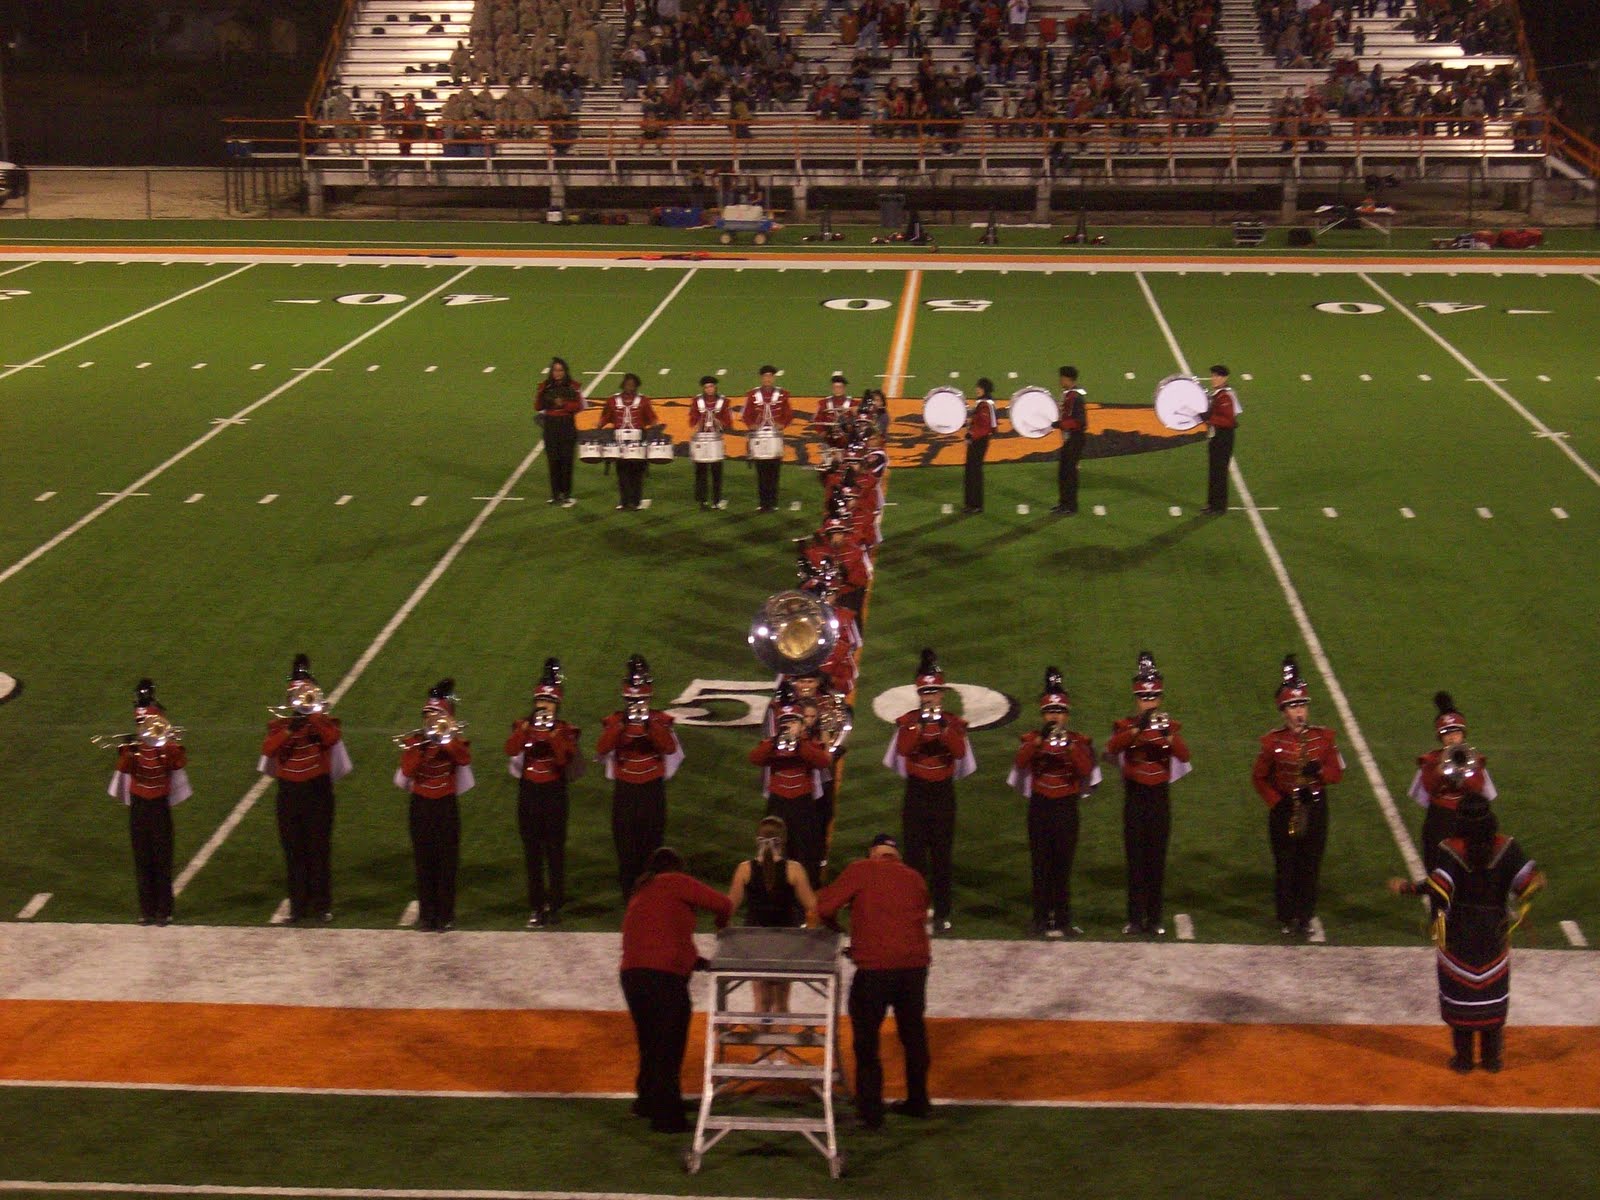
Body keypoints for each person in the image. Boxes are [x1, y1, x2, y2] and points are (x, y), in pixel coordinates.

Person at [1388, 793, 1544, 1073]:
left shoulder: (1450, 849)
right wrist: (1537, 881)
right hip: (1493, 933)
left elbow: (1438, 887)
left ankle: (1463, 1061)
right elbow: (1527, 885)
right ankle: (1492, 1060)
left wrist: (1406, 888)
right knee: (1492, 995)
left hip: (1459, 933)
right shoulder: (1507, 847)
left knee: (1460, 996)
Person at [816, 833, 933, 1129]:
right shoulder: (915, 878)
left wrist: (837, 928)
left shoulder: (861, 869)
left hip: (875, 969)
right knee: (913, 1035)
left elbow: (825, 907)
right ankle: (919, 1101)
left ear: (872, 853)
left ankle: (871, 1112)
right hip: (914, 967)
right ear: (897, 855)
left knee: (867, 1040)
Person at [620, 846, 733, 1133]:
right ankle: (667, 1117)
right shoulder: (676, 882)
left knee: (650, 1042)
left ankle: (647, 1101)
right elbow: (723, 904)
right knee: (669, 1046)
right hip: (663, 977)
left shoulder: (641, 891)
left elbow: (658, 937)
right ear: (676, 868)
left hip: (632, 975)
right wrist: (722, 928)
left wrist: (696, 961)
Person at [1252, 655, 1344, 937]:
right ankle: (1286, 916)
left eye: (1302, 705)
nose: (1299, 711)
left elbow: (1337, 772)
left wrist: (1320, 772)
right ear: (1284, 711)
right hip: (1285, 806)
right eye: (1293, 706)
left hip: (1314, 805)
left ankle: (1305, 916)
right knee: (1285, 863)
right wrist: (1276, 802)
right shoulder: (1273, 741)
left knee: (1310, 863)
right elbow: (1258, 777)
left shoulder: (1323, 738)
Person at [883, 648, 974, 932]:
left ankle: (942, 912)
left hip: (942, 794)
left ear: (942, 694)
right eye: (925, 692)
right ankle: (915, 909)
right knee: (914, 856)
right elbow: (904, 749)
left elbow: (959, 752)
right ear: (919, 693)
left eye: (934, 692)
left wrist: (943, 728)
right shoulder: (909, 721)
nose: (930, 697)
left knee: (942, 856)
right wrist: (921, 726)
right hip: (917, 792)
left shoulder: (952, 722)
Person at [259, 654, 351, 924]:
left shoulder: (325, 723)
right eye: (296, 696)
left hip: (317, 791)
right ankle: (298, 907)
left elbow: (332, 738)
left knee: (319, 849)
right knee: (294, 851)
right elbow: (268, 749)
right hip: (289, 792)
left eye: (305, 695)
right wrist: (290, 730)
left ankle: (322, 906)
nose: (301, 700)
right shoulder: (279, 726)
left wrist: (314, 717)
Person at [1105, 651, 1191, 936]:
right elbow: (1111, 748)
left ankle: (1154, 919)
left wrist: (1168, 735)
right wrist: (1135, 731)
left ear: (1160, 699)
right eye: (1144, 698)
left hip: (1159, 798)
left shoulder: (1169, 727)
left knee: (1156, 860)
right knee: (1135, 860)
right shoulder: (1125, 726)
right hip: (1135, 798)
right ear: (1136, 699)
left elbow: (1184, 755)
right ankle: (1134, 919)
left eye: (1153, 698)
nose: (1149, 703)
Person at [1008, 667, 1099, 938]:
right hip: (1040, 806)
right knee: (1040, 864)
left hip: (1066, 807)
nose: (1054, 716)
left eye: (1059, 711)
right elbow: (1020, 762)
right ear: (1043, 714)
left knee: (1062, 865)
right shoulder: (1031, 739)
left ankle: (1063, 919)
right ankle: (1039, 919)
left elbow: (1086, 770)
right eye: (1050, 712)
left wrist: (1068, 747)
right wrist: (1039, 742)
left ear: (1066, 715)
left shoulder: (1078, 741)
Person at [597, 654, 684, 901]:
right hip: (625, 791)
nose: (637, 705)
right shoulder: (616, 721)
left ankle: (652, 901)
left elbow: (668, 747)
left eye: (641, 700)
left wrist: (648, 725)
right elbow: (602, 748)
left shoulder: (659, 720)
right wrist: (622, 725)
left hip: (651, 791)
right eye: (632, 701)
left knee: (652, 848)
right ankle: (630, 901)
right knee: (626, 850)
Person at [505, 658, 583, 928]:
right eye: (540, 701)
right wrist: (527, 730)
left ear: (557, 705)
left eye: (549, 702)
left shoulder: (566, 730)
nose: (544, 706)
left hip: (554, 794)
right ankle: (537, 906)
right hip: (529, 793)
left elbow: (563, 760)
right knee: (532, 852)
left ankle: (556, 904)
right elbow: (511, 749)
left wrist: (550, 736)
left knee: (555, 851)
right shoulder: (523, 725)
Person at [108, 679, 191, 926]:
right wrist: (128, 751)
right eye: (140, 722)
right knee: (142, 857)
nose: (142, 726)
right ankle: (146, 910)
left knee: (162, 858)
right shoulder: (133, 747)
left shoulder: (165, 742)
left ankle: (164, 910)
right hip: (139, 803)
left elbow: (178, 762)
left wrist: (163, 745)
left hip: (158, 804)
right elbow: (124, 768)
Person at [396, 679, 474, 932]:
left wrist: (446, 738)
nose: (430, 719)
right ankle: (427, 915)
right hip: (421, 806)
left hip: (445, 806)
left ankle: (445, 915)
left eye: (435, 714)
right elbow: (408, 770)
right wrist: (424, 746)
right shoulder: (416, 742)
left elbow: (464, 758)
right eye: (427, 715)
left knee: (447, 862)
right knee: (424, 861)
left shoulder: (455, 741)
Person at [727, 816, 820, 1012]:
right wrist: (809, 935)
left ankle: (761, 1034)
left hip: (753, 945)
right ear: (783, 841)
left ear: (757, 840)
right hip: (786, 945)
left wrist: (731, 937)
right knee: (781, 1004)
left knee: (761, 1002)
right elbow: (814, 908)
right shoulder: (794, 869)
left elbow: (727, 909)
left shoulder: (744, 869)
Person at [750, 682, 836, 885]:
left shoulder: (808, 743)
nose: (788, 726)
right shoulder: (772, 743)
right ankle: (773, 884)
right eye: (785, 722)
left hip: (802, 802)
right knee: (774, 845)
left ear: (801, 724)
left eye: (793, 722)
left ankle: (806, 886)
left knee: (804, 847)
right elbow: (755, 758)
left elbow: (823, 761)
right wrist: (774, 742)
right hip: (778, 801)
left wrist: (799, 743)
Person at [1408, 692, 1497, 876]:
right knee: (1436, 866)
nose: (1451, 738)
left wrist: (1462, 772)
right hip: (1440, 818)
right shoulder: (1431, 760)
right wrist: (1440, 771)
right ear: (1440, 737)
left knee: (1470, 866)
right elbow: (1429, 788)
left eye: (1456, 732)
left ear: (1463, 735)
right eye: (1446, 733)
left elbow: (1477, 788)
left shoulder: (1473, 759)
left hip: (1469, 816)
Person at [599, 372, 659, 511]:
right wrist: (599, 425)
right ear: (623, 385)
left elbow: (651, 418)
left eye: (632, 384)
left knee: (637, 472)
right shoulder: (613, 400)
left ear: (637, 386)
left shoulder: (643, 401)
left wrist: (654, 425)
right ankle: (624, 501)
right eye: (627, 384)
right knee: (622, 471)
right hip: (619, 438)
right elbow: (605, 417)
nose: (630, 386)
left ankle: (635, 501)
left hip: (638, 438)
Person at [743, 364, 793, 511]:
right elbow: (746, 414)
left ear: (774, 378)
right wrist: (751, 424)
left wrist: (782, 424)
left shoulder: (782, 394)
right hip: (759, 436)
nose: (768, 379)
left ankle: (773, 502)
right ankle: (763, 502)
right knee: (761, 471)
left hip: (775, 437)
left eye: (770, 376)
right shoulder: (753, 394)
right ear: (761, 378)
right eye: (765, 376)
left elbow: (789, 414)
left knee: (774, 471)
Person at [535, 356, 584, 506]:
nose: (558, 373)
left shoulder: (573, 386)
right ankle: (555, 494)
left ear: (565, 371)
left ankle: (566, 493)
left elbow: (580, 406)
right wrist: (545, 397)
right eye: (555, 370)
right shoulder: (545, 386)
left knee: (567, 460)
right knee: (553, 460)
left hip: (567, 424)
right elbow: (537, 406)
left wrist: (563, 404)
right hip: (551, 425)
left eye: (560, 370)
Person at [689, 374, 734, 509]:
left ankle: (716, 499)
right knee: (701, 471)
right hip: (701, 438)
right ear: (704, 388)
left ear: (715, 387)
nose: (709, 389)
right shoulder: (697, 401)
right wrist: (698, 422)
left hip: (716, 439)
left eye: (711, 386)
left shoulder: (723, 401)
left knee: (716, 471)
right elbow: (692, 420)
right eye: (707, 387)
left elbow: (729, 422)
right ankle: (702, 500)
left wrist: (718, 422)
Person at [1199, 363, 1239, 514]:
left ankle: (1219, 506)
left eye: (1217, 376)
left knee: (1219, 472)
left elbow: (1229, 421)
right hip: (1216, 436)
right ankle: (1212, 503)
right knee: (1214, 471)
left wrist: (1209, 419)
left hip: (1224, 437)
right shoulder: (1217, 393)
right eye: (1213, 375)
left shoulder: (1226, 396)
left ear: (1225, 378)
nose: (1214, 378)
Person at [1053, 365, 1088, 515]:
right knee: (1063, 472)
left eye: (1062, 378)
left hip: (1075, 439)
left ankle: (1071, 506)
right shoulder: (1067, 395)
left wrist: (1061, 424)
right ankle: (1063, 504)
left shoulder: (1076, 397)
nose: (1060, 381)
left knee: (1070, 474)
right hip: (1069, 439)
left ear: (1068, 379)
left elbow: (1081, 422)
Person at [962, 378, 997, 514]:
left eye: (979, 387)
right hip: (977, 440)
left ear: (984, 389)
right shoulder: (983, 403)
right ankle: (971, 503)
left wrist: (971, 435)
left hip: (979, 441)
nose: (977, 389)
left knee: (974, 472)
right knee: (971, 471)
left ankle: (975, 504)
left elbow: (985, 427)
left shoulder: (985, 405)